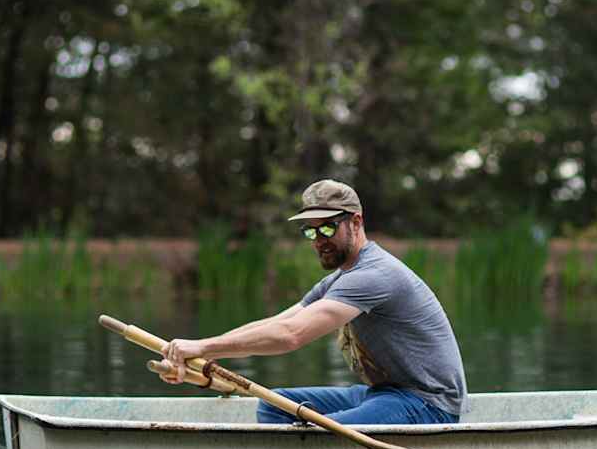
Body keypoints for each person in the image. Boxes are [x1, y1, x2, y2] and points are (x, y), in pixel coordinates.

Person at [160, 179, 467, 425]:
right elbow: (278, 323)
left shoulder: (374, 275)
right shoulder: (341, 278)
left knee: (317, 429)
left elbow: (291, 336)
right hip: (383, 394)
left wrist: (203, 347)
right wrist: (195, 353)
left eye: (328, 227)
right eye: (310, 230)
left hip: (428, 404)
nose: (319, 239)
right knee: (274, 406)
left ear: (356, 222)